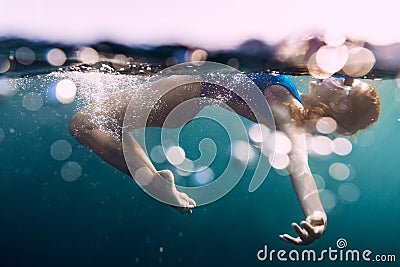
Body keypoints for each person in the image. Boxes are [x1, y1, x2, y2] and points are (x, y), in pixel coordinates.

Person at [69, 71, 380, 246]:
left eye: (347, 82)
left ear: (340, 104)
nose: (339, 75)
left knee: (84, 124)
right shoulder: (293, 103)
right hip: (182, 98)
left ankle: (156, 182)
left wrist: (317, 215)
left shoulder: (289, 109)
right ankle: (157, 182)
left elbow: (300, 164)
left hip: (175, 94)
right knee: (101, 127)